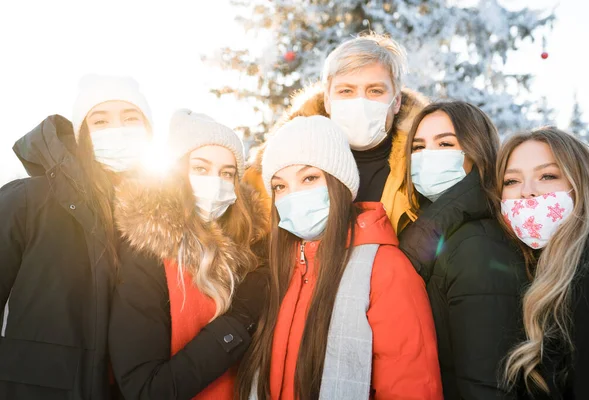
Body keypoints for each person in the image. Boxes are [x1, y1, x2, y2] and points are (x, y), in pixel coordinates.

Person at [236, 115, 442, 400]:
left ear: (339, 185)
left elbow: (412, 388)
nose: (293, 195)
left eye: (309, 178)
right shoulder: (276, 268)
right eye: (280, 186)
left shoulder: (385, 268)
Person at [0, 74, 153, 399]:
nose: (118, 130)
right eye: (100, 121)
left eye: (130, 118)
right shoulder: (27, 201)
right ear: (81, 134)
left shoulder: (162, 222)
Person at [109, 109, 270, 400]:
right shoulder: (147, 255)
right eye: (200, 168)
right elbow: (147, 388)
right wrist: (238, 321)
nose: (216, 181)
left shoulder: (251, 251)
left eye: (227, 173)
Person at [397, 101, 528, 399]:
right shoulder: (440, 227)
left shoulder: (476, 244)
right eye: (418, 147)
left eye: (445, 143)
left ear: (476, 152)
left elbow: (487, 384)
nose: (428, 155)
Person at [243, 32, 428, 233]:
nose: (360, 103)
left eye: (375, 91)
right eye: (346, 91)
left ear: (397, 101)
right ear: (328, 101)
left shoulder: (422, 167)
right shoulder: (273, 171)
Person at [499, 127, 589, 399]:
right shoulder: (533, 264)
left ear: (580, 183)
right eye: (511, 181)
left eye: (547, 176)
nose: (527, 192)